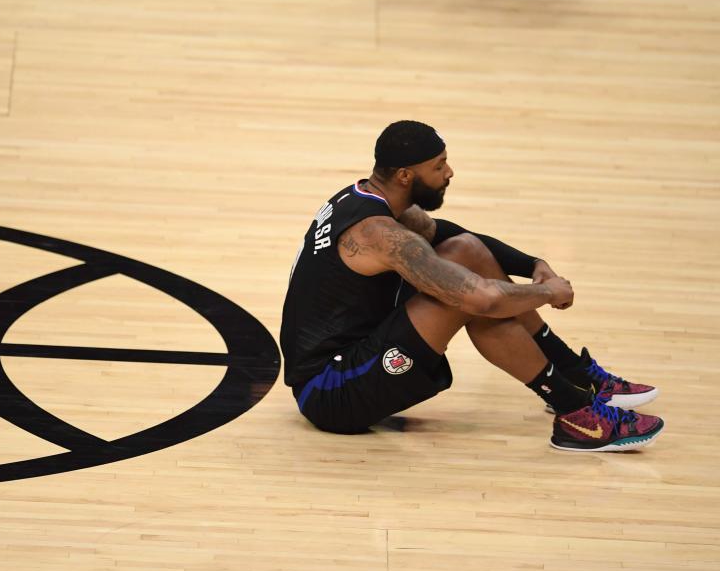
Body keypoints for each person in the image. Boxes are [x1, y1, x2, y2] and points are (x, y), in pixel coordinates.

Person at [279, 120, 663, 452]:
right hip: (331, 390)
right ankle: (577, 416)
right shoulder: (377, 232)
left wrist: (534, 265)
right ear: (405, 176)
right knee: (470, 299)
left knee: (465, 251)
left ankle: (575, 379)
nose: (449, 173)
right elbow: (484, 298)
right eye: (439, 166)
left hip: (352, 353)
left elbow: (455, 237)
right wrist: (549, 292)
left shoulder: (373, 199)